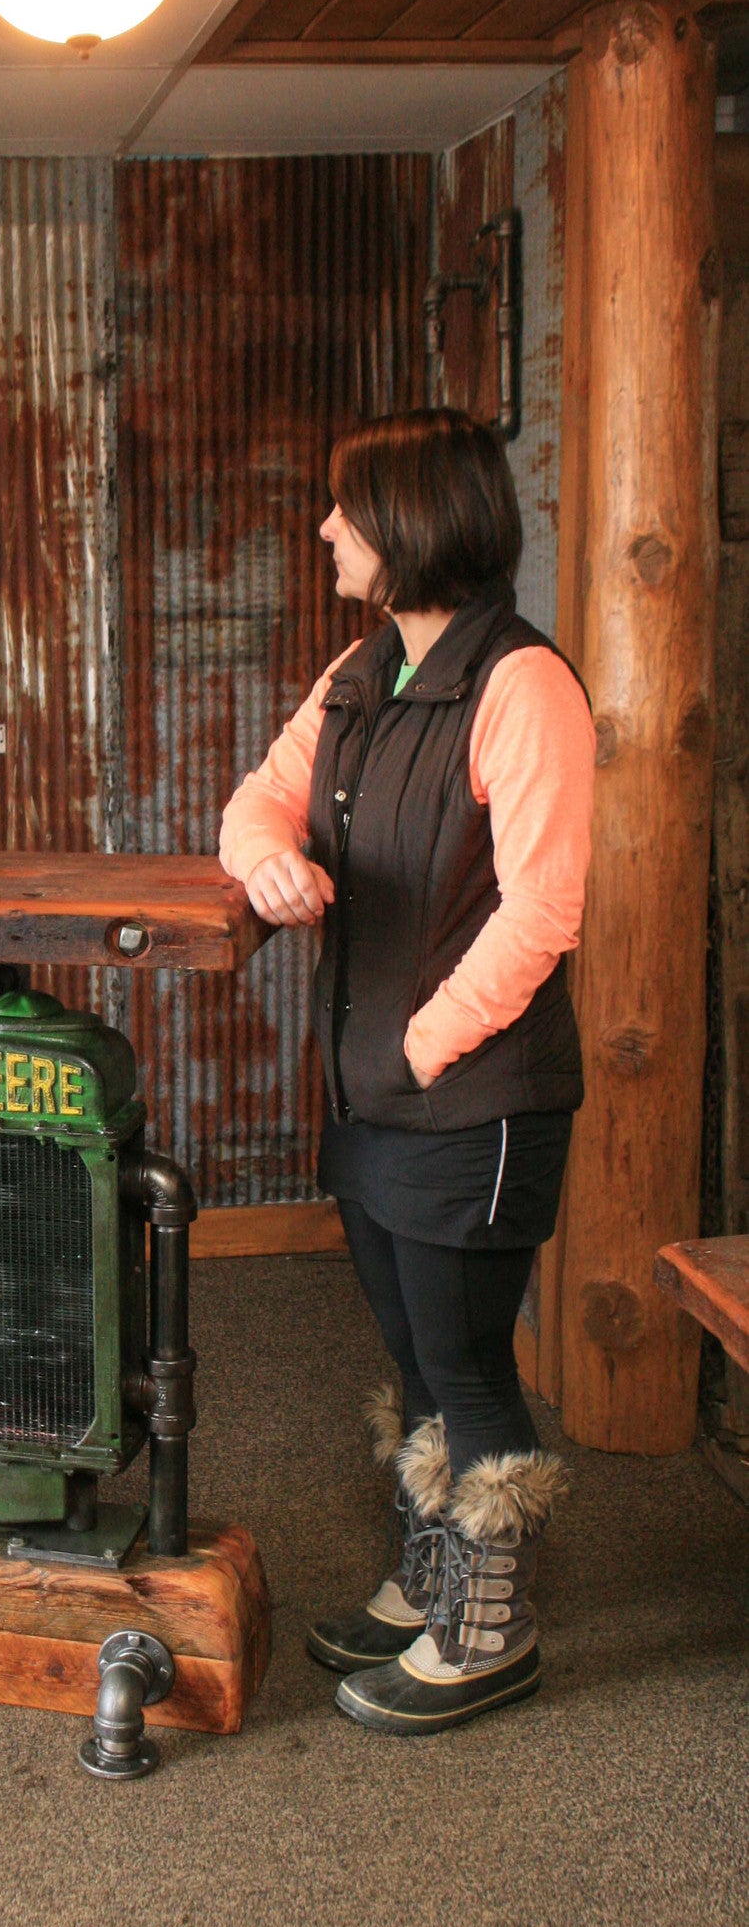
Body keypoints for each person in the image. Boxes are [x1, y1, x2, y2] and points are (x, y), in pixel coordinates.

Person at [218, 408, 595, 1735]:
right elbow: (256, 798)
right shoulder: (362, 668)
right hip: (367, 1092)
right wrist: (264, 858)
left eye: (346, 509)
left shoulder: (522, 687)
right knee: (409, 1349)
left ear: (415, 521)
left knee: (465, 1356)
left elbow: (542, 912)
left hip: (470, 1101)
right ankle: (431, 1573)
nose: (326, 530)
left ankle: (490, 1627)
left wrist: (424, 1042)